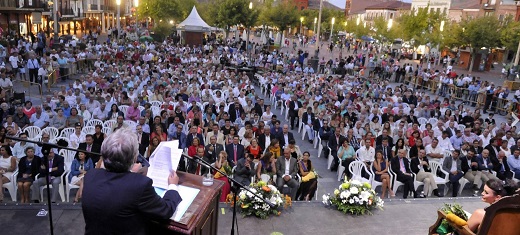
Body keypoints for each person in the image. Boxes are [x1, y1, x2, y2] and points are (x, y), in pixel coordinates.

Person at [82, 128, 182, 235]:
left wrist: (130, 173)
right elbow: (165, 210)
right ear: (134, 158)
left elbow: (115, 192)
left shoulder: (90, 176)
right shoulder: (140, 185)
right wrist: (172, 186)